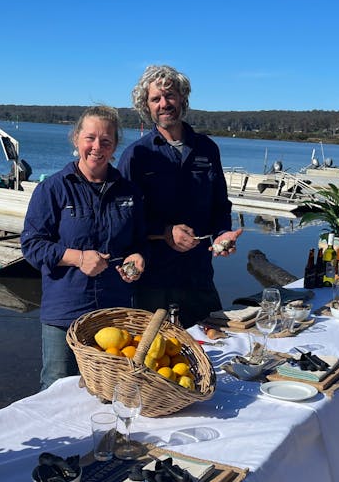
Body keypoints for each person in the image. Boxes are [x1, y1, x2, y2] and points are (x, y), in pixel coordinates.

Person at [21, 105, 147, 390]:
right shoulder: (53, 189)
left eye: (106, 141)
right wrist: (78, 258)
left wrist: (139, 257)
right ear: (76, 139)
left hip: (114, 311)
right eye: (90, 138)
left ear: (115, 146)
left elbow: (140, 242)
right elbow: (31, 246)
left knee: (109, 387)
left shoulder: (129, 192)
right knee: (56, 388)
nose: (97, 147)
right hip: (65, 311)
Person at [118, 65, 242, 327]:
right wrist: (165, 232)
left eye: (170, 95)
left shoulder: (207, 149)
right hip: (153, 279)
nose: (164, 104)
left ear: (183, 98)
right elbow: (125, 218)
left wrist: (222, 233)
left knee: (212, 347)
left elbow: (220, 204)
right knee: (154, 357)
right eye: (156, 99)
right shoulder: (137, 155)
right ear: (147, 106)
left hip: (198, 276)